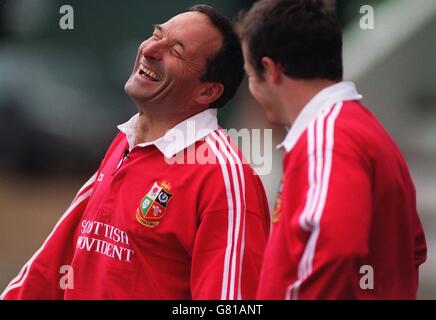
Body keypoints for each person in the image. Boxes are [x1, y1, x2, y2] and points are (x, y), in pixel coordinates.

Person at [2, 4, 270, 300]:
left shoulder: (223, 176)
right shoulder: (126, 142)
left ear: (207, 92)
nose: (151, 50)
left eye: (177, 52)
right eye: (157, 34)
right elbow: (49, 266)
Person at [238, 0, 427, 299]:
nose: (252, 88)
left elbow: (337, 246)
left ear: (270, 70)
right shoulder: (360, 129)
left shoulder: (326, 138)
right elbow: (413, 247)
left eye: (250, 75)